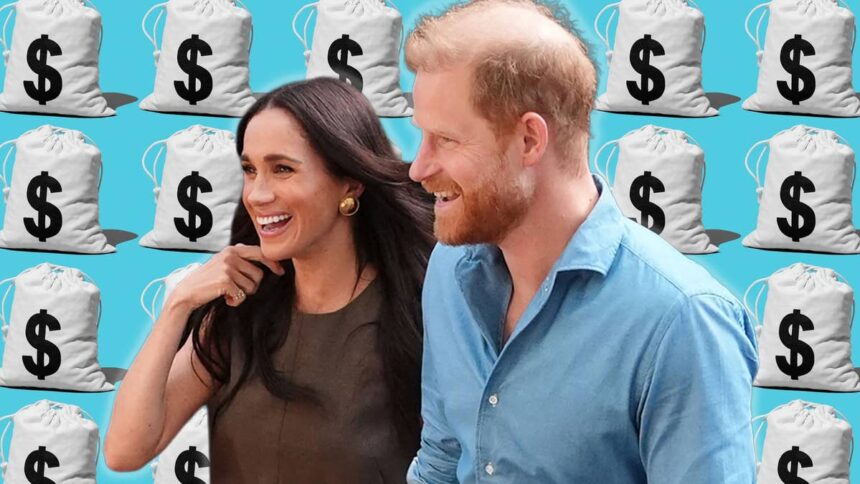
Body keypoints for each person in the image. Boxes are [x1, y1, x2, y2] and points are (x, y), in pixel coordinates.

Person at [404, 1, 758, 483]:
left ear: (530, 140)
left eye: (446, 140)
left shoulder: (683, 321)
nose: (418, 168)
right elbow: (442, 460)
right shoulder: (450, 269)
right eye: (423, 136)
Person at [103, 77, 435, 483]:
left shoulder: (417, 316)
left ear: (349, 183)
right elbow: (125, 451)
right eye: (249, 170)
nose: (257, 195)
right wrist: (179, 304)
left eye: (282, 169)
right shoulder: (240, 311)